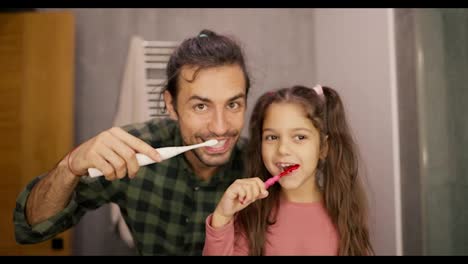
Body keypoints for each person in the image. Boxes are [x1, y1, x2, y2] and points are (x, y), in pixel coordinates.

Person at [14, 29, 251, 255]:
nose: (220, 128)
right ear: (170, 105)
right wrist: (69, 167)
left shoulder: (259, 163)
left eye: (233, 104)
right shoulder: (133, 151)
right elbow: (30, 229)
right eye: (201, 106)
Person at [203, 85, 374, 256]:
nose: (283, 149)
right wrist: (222, 218)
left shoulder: (345, 215)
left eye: (300, 137)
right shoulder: (251, 215)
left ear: (323, 148)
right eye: (272, 137)